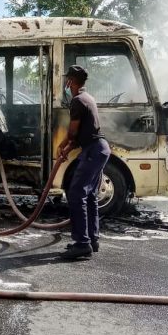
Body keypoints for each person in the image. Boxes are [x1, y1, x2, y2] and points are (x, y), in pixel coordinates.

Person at [56, 65, 111, 260]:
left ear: (71, 81)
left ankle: (82, 243)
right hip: (99, 149)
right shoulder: (88, 98)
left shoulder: (78, 101)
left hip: (93, 150)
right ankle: (92, 240)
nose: (65, 83)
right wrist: (65, 146)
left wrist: (65, 147)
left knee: (76, 193)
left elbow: (73, 133)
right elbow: (77, 134)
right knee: (89, 196)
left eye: (67, 79)